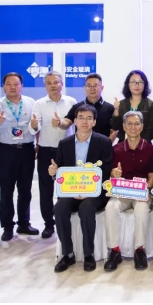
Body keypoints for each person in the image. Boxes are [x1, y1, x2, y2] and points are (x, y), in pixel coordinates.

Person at [51, 104, 113, 273]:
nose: (84, 122)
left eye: (89, 118)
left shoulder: (104, 142)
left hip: (94, 192)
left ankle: (88, 254)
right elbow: (60, 171)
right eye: (81, 118)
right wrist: (53, 172)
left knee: (86, 209)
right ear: (75, 121)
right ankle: (68, 254)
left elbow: (106, 171)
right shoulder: (64, 143)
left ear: (94, 122)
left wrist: (87, 191)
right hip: (70, 191)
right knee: (59, 208)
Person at [0, 72, 39, 241]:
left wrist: (36, 133)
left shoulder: (31, 103)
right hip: (6, 151)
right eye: (9, 84)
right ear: (4, 86)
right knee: (6, 190)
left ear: (21, 86)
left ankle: (24, 223)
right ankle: (7, 226)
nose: (12, 87)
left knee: (25, 189)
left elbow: (36, 125)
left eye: (16, 84)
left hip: (26, 149)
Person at [104, 111, 153, 272]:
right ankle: (114, 251)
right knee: (110, 207)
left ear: (142, 126)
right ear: (124, 126)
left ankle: (139, 250)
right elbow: (111, 173)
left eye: (137, 124)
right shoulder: (116, 149)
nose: (133, 127)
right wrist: (114, 173)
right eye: (129, 124)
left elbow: (152, 175)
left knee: (141, 208)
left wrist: (147, 190)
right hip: (122, 193)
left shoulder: (150, 148)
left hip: (140, 193)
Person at [29, 71, 76, 239]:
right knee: (46, 190)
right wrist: (34, 125)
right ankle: (49, 224)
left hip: (67, 151)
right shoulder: (39, 104)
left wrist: (61, 123)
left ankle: (66, 221)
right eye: (49, 83)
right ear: (45, 86)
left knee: (67, 188)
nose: (53, 85)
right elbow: (34, 128)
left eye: (56, 82)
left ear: (62, 83)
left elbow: (73, 123)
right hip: (46, 151)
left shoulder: (71, 102)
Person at [59, 73, 115, 138]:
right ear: (85, 88)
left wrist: (107, 143)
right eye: (89, 86)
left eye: (95, 86)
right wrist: (60, 122)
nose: (92, 89)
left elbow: (114, 130)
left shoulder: (110, 108)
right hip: (80, 143)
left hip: (103, 143)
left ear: (102, 88)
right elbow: (67, 122)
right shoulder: (77, 107)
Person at [110, 70, 153, 142]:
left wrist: (139, 144)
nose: (137, 85)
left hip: (144, 144)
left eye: (140, 82)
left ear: (145, 85)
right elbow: (115, 127)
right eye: (133, 82)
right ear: (128, 84)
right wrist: (116, 110)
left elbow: (150, 129)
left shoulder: (150, 104)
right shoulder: (121, 104)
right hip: (123, 143)